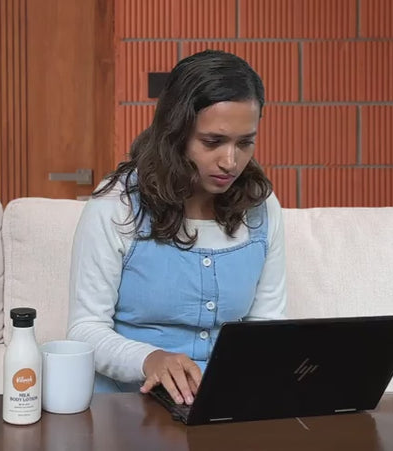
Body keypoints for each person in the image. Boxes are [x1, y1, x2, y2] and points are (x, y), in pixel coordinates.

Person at [66, 50, 287, 407]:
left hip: (223, 401)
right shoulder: (117, 203)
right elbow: (84, 331)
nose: (231, 162)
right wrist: (150, 359)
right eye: (212, 142)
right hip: (128, 404)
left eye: (245, 142)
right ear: (176, 132)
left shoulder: (261, 206)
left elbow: (266, 324)